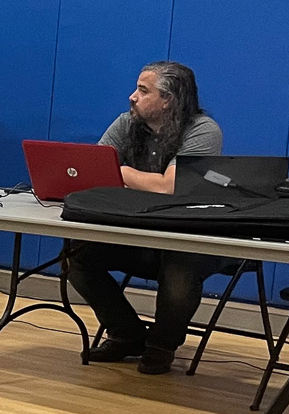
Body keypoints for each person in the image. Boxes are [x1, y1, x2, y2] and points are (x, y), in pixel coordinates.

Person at [63, 61, 226, 375]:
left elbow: (169, 187)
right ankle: (127, 334)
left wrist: (120, 172)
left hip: (190, 239)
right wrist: (112, 175)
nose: (132, 97)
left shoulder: (203, 130)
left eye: (143, 90)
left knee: (180, 270)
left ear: (169, 99)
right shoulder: (126, 124)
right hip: (136, 232)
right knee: (75, 255)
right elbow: (93, 173)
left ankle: (162, 346)